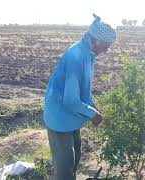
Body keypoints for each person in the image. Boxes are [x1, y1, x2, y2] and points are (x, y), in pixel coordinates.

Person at [43, 14, 116, 180]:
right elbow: (70, 100)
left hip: (72, 116)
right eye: (105, 46)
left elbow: (83, 90)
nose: (106, 51)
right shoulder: (76, 57)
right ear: (95, 39)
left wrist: (93, 107)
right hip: (60, 117)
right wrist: (91, 113)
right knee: (64, 170)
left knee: (74, 159)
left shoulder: (89, 55)